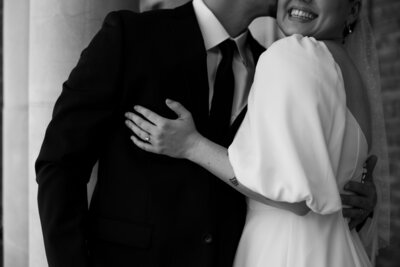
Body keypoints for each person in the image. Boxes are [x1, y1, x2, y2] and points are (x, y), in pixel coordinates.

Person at [36, 0, 381, 266]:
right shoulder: (132, 36)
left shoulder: (279, 61)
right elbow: (60, 163)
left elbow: (297, 178)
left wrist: (352, 201)